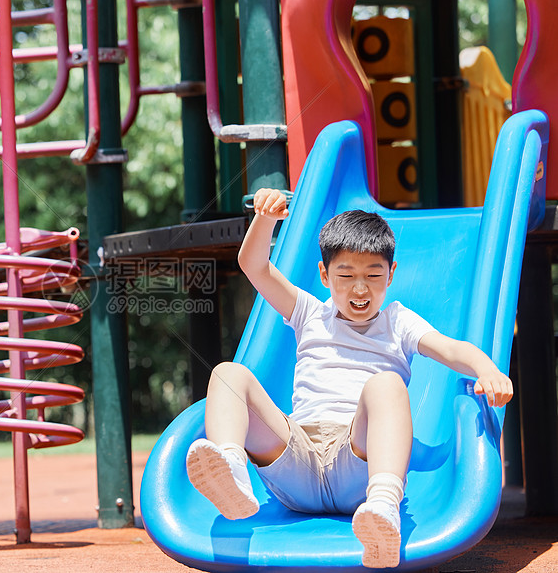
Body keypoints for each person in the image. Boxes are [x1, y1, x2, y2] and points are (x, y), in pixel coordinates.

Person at [185, 188, 514, 569]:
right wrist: (264, 219)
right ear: (324, 275)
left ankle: (384, 506)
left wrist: (487, 370)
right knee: (228, 374)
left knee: (385, 384)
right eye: (346, 275)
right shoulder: (307, 312)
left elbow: (452, 349)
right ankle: (233, 472)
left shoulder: (398, 323)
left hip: (357, 462)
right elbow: (254, 266)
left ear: (391, 274)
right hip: (296, 458)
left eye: (374, 275)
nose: (360, 289)